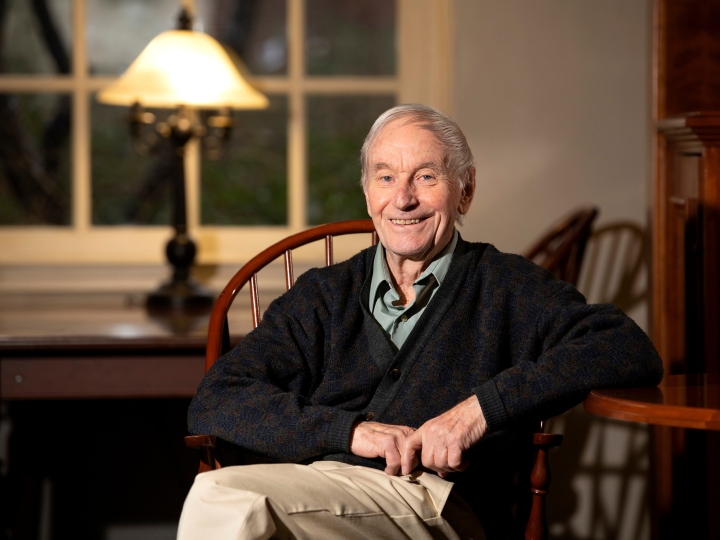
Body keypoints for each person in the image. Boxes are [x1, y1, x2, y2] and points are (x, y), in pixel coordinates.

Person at [177, 104, 663, 540]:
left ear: (465, 191)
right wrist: (350, 433)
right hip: (315, 491)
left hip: (439, 503)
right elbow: (218, 399)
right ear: (368, 194)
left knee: (222, 500)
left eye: (426, 177)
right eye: (385, 177)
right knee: (229, 498)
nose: (403, 199)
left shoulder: (505, 286)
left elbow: (624, 346)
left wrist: (477, 411)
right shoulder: (323, 295)